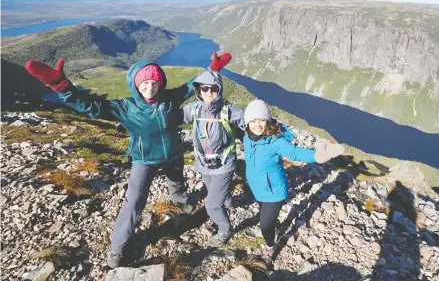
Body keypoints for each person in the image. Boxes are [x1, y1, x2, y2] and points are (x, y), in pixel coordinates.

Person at [24, 56, 228, 268]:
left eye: (154, 83)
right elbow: (90, 106)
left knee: (177, 182)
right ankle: (117, 249)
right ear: (135, 84)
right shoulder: (125, 107)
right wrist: (62, 86)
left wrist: (212, 70)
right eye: (144, 83)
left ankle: (182, 204)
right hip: (145, 159)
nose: (150, 87)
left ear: (160, 84)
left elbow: (190, 87)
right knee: (134, 202)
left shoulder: (169, 98)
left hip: (173, 154)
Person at [242, 99, 345, 263]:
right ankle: (273, 225)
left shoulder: (275, 142)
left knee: (265, 226)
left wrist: (320, 154)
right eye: (253, 120)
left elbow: (296, 153)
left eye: (261, 119)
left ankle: (269, 248)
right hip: (258, 188)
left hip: (274, 192)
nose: (257, 124)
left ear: (267, 120)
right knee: (267, 218)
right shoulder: (247, 138)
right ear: (247, 123)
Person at [180, 51, 247, 247]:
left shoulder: (228, 110)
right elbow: (171, 118)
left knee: (211, 204)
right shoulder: (193, 109)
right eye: (204, 88)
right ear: (198, 90)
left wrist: (273, 128)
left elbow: (250, 121)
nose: (209, 92)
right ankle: (226, 203)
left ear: (219, 90)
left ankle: (225, 229)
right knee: (215, 193)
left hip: (225, 163)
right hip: (203, 163)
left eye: (214, 89)